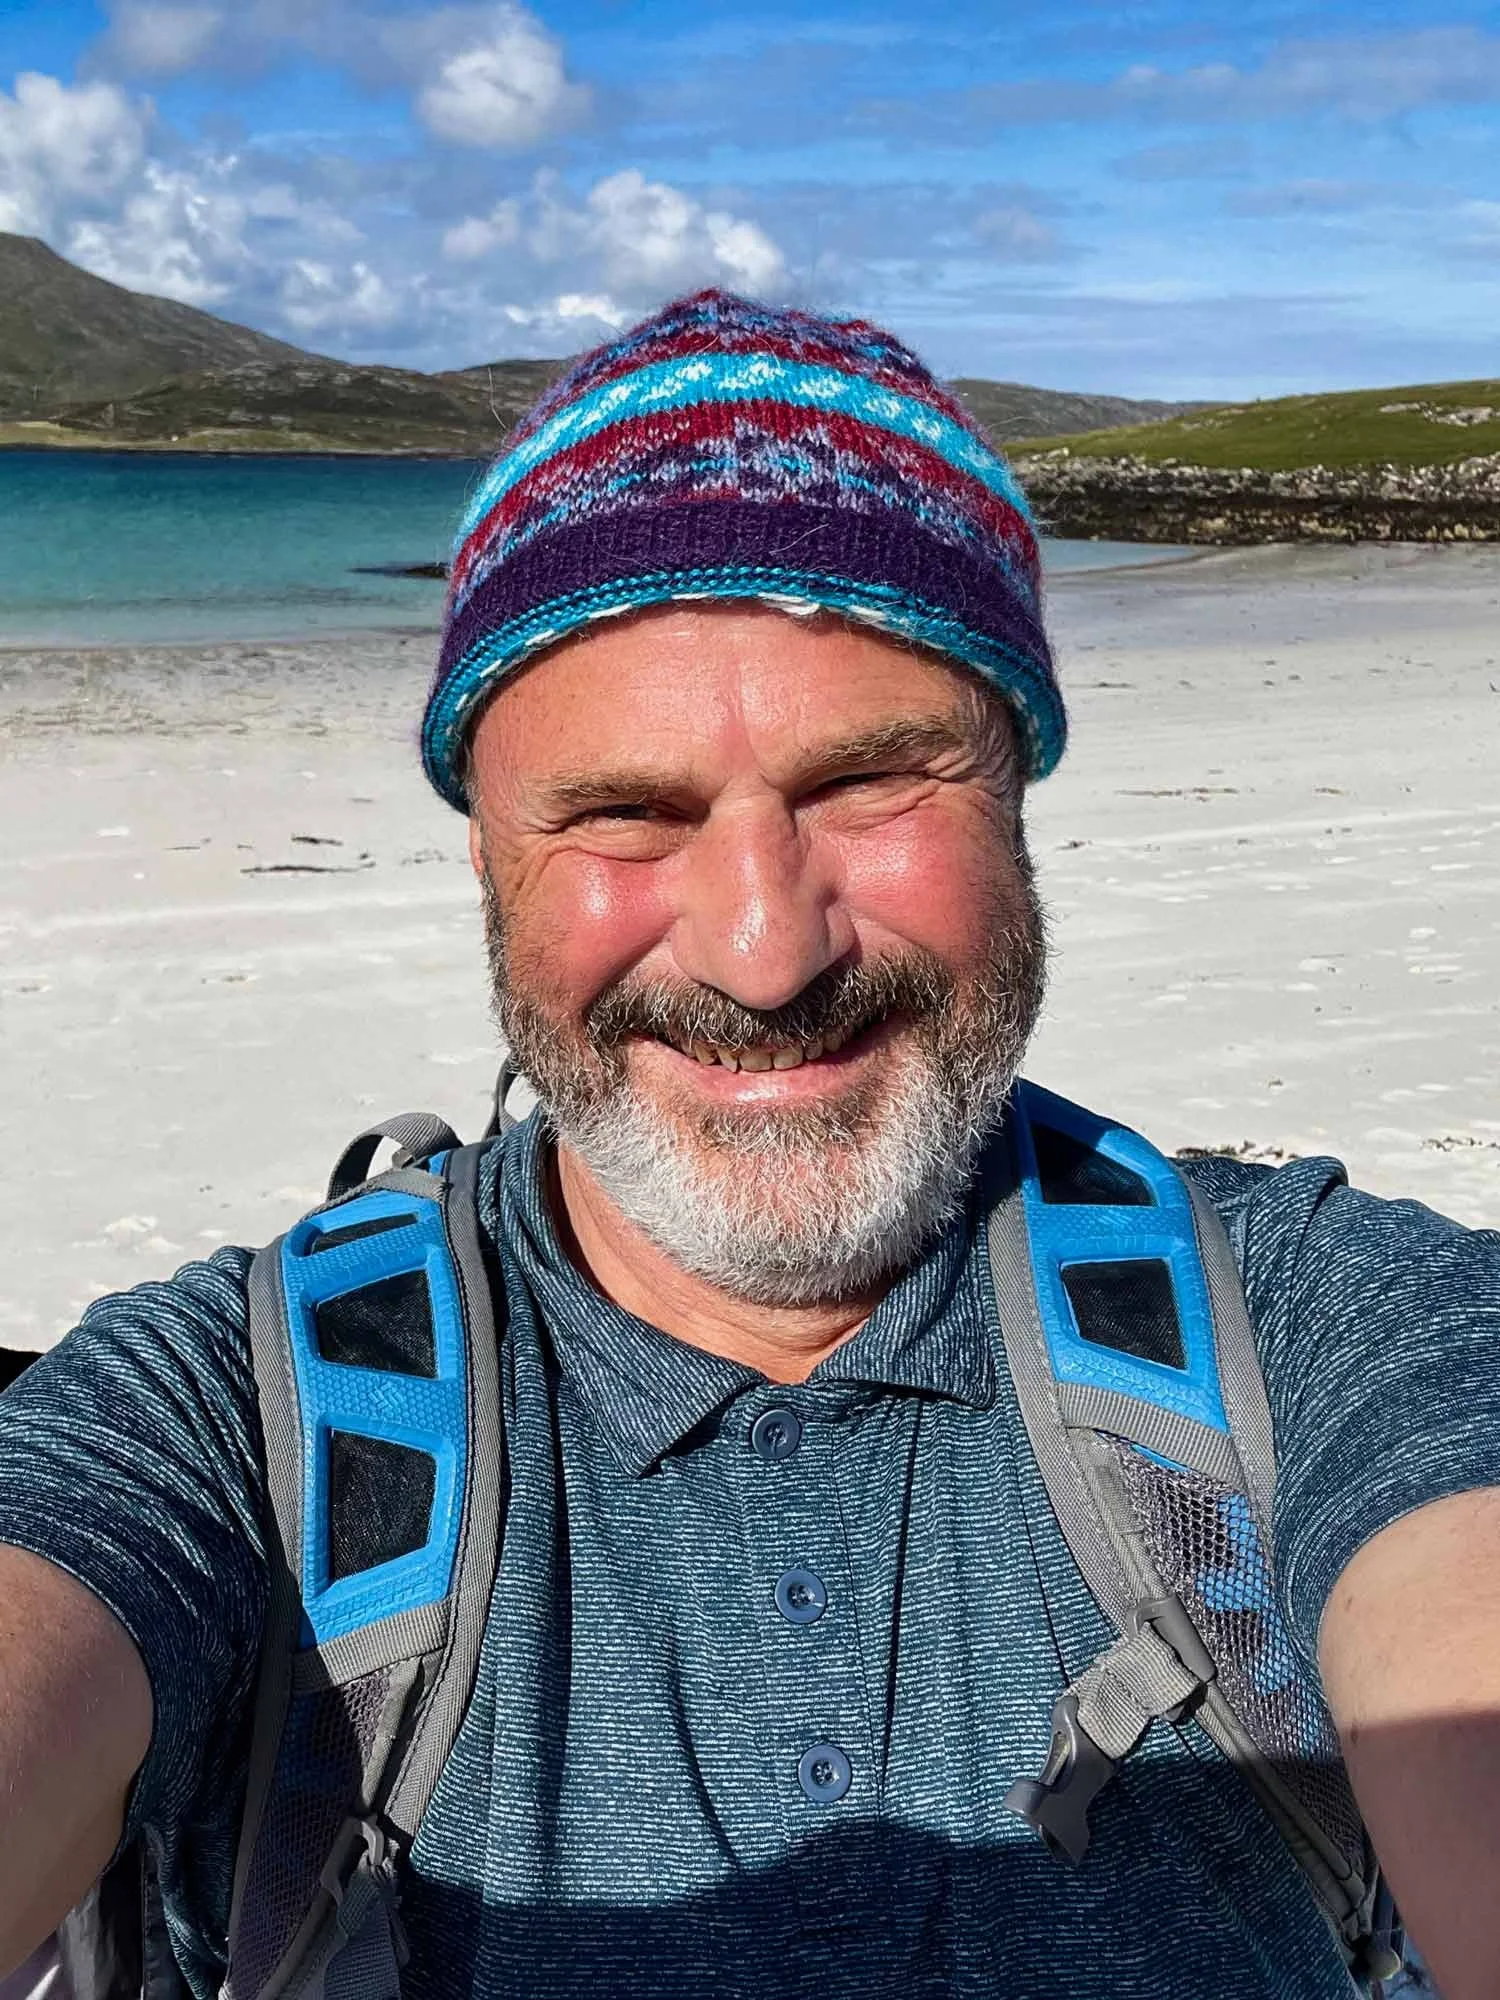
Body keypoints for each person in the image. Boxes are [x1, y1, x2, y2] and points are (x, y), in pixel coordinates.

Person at [0, 289, 1496, 2000]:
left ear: (1014, 802)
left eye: (874, 785)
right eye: (625, 814)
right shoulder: (229, 1424)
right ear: (486, 860)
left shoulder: (1324, 1330)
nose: (763, 953)